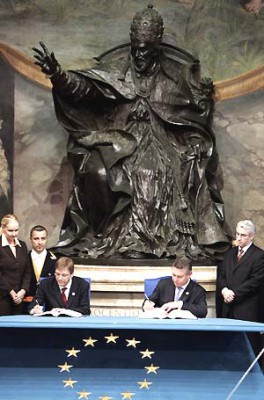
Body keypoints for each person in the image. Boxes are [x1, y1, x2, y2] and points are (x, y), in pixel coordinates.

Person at [32, 4, 229, 260]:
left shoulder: (176, 74)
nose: (140, 53)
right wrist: (58, 75)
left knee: (152, 172)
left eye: (146, 47)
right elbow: (82, 89)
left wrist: (195, 138)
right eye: (136, 46)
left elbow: (191, 116)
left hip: (163, 139)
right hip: (118, 137)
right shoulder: (116, 69)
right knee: (106, 172)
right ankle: (120, 237)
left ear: (157, 41)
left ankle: (148, 242)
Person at [217, 220, 264, 367]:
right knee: (228, 347)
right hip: (228, 308)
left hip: (247, 310)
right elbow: (222, 275)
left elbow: (255, 282)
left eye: (243, 235)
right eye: (237, 234)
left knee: (249, 348)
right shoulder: (229, 254)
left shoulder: (259, 256)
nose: (238, 238)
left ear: (252, 236)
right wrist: (224, 289)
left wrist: (234, 294)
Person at [142, 257, 207, 318]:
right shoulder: (163, 284)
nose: (175, 279)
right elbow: (151, 300)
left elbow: (202, 311)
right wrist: (146, 304)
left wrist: (179, 304)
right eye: (174, 275)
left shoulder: (198, 290)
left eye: (179, 277)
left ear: (189, 274)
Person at [0, 214, 31, 315]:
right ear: (3, 228)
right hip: (3, 297)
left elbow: (27, 271)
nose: (14, 234)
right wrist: (11, 292)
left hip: (19, 298)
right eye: (10, 231)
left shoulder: (22, 245)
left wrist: (23, 291)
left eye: (16, 230)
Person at [27, 225, 57, 299]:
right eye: (36, 239)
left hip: (48, 303)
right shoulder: (24, 259)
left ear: (47, 239)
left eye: (43, 238)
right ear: (30, 239)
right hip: (27, 302)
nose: (40, 242)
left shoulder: (55, 260)